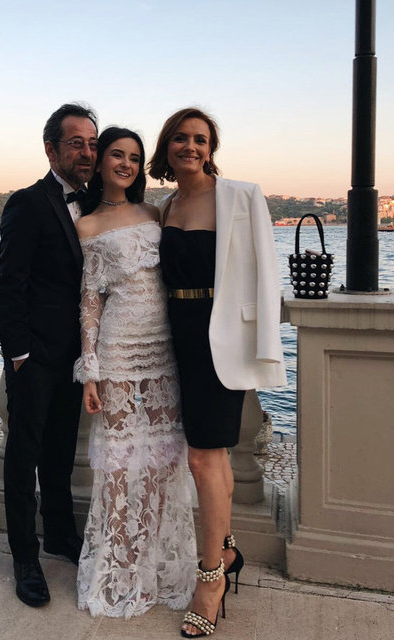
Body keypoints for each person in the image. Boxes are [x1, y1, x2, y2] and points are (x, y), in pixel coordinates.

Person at [149, 108, 286, 638]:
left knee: (203, 458)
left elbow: (266, 275)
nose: (191, 146)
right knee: (214, 457)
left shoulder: (242, 196)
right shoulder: (165, 206)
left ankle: (209, 580)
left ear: (211, 149)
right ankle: (225, 551)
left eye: (200, 139)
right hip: (175, 336)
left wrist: (263, 350)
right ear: (167, 147)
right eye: (181, 138)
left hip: (220, 336)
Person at [73, 126, 197, 619]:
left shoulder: (154, 212)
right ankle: (120, 568)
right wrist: (91, 370)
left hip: (166, 346)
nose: (126, 163)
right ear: (101, 161)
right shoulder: (86, 225)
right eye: (117, 155)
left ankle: (156, 562)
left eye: (134, 157)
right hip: (119, 348)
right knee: (119, 461)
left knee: (165, 457)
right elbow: (90, 302)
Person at [0, 103, 98, 608]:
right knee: (24, 456)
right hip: (34, 357)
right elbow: (10, 284)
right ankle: (24, 557)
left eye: (92, 144)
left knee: (59, 452)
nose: (87, 153)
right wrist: (18, 355)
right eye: (76, 143)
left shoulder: (96, 204)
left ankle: (59, 534)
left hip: (76, 357)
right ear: (51, 149)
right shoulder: (27, 203)